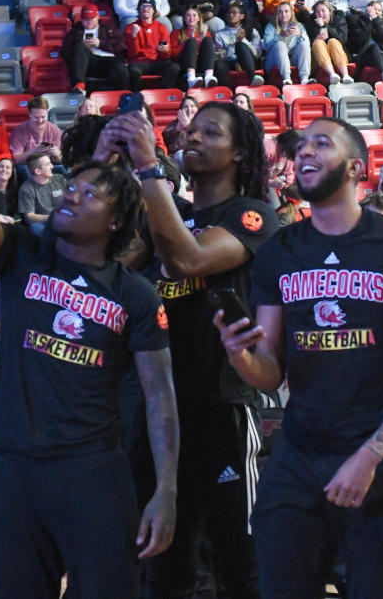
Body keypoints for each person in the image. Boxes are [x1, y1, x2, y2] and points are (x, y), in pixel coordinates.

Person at [0, 55, 180, 598]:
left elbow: (159, 398)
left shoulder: (133, 293)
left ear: (115, 222)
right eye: (70, 188)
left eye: (90, 194)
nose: (72, 194)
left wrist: (166, 489)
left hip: (94, 478)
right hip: (13, 475)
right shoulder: (21, 254)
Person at [214, 115, 383, 598]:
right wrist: (240, 357)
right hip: (299, 454)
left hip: (379, 455)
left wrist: (368, 458)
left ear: (357, 167)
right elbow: (269, 372)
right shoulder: (281, 250)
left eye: (322, 144)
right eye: (300, 146)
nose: (305, 152)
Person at [100, 101, 277, 598]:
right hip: (158, 413)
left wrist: (148, 168)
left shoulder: (251, 215)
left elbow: (188, 258)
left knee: (238, 562)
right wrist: (107, 167)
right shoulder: (164, 217)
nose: (192, 136)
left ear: (240, 151)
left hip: (220, 406)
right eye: (190, 130)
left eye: (210, 132)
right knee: (162, 562)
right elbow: (106, 265)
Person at [60, 3, 130, 93]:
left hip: (108, 60)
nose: (89, 22)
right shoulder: (75, 30)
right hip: (88, 63)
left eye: (91, 19)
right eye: (85, 19)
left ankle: (123, 93)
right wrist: (81, 49)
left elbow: (121, 46)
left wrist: (100, 44)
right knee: (79, 47)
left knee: (120, 66)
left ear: (97, 16)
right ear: (81, 19)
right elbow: (64, 50)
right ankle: (79, 84)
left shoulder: (108, 28)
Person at [125, 0, 183, 91]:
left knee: (174, 67)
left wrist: (165, 51)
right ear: (139, 9)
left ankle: (160, 92)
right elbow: (132, 54)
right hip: (139, 62)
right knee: (133, 70)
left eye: (149, 6)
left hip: (158, 61)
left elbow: (166, 56)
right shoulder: (131, 28)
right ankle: (137, 96)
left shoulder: (161, 27)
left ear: (154, 10)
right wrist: (134, 36)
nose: (146, 9)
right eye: (143, 6)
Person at [213, 1, 265, 87]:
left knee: (240, 45)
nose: (230, 15)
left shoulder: (252, 31)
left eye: (234, 12)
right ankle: (226, 90)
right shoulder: (219, 34)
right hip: (230, 62)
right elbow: (217, 55)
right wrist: (232, 52)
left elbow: (257, 54)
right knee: (219, 65)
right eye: (229, 13)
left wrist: (243, 40)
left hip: (250, 62)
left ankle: (253, 79)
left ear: (242, 16)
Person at [9, 97, 64, 175]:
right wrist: (33, 151)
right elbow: (17, 160)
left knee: (63, 170)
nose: (40, 121)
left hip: (49, 165)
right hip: (28, 165)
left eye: (43, 117)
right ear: (29, 114)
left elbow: (58, 161)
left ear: (47, 113)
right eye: (36, 117)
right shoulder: (19, 131)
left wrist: (57, 155)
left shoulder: (55, 131)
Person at [17, 153, 68, 236]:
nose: (52, 166)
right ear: (38, 171)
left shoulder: (59, 178)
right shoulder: (26, 188)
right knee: (35, 227)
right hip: (44, 223)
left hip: (64, 218)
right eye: (48, 164)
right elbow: (29, 217)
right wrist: (53, 217)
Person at [264, 2, 313, 85]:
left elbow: (307, 45)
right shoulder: (271, 26)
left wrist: (300, 35)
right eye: (280, 12)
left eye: (286, 11)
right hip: (274, 60)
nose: (283, 14)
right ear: (277, 14)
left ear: (291, 13)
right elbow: (266, 47)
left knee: (304, 44)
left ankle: (304, 78)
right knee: (280, 44)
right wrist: (280, 36)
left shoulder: (299, 26)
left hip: (292, 59)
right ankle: (287, 79)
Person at [346, 0, 383, 82]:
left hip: (381, 54)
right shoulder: (358, 21)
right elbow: (360, 39)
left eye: (379, 10)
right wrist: (369, 21)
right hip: (363, 55)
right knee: (374, 46)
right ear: (367, 10)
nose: (376, 12)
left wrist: (376, 20)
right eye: (374, 9)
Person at [306, 0, 353, 84]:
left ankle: (346, 76)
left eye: (323, 10)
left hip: (340, 57)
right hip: (319, 60)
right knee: (317, 42)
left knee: (333, 41)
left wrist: (324, 26)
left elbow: (342, 40)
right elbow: (308, 43)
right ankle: (332, 75)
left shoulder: (339, 20)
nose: (320, 14)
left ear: (330, 11)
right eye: (317, 11)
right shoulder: (311, 23)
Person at [171, 5, 218, 88]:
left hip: (199, 63)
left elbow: (208, 52)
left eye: (194, 15)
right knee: (192, 41)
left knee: (207, 40)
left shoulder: (205, 32)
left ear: (199, 18)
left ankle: (208, 77)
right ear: (184, 19)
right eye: (188, 15)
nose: (191, 18)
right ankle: (191, 79)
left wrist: (201, 38)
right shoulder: (176, 33)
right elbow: (173, 54)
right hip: (184, 63)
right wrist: (188, 41)